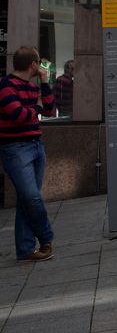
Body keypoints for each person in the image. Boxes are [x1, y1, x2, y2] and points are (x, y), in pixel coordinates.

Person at [0, 46, 56, 261]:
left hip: (35, 145)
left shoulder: (32, 87)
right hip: (15, 148)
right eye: (39, 63)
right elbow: (19, 115)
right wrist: (38, 109)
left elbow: (49, 109)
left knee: (27, 199)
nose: (41, 67)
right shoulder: (6, 85)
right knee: (32, 197)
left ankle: (25, 249)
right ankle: (46, 237)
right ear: (33, 64)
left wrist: (44, 82)